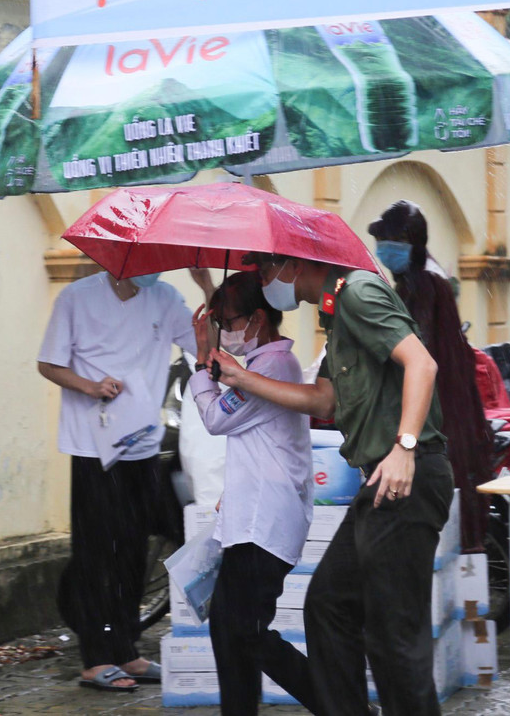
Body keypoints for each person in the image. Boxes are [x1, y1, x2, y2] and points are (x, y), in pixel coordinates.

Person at [210, 252, 451, 716]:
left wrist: (405, 447)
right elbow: (325, 398)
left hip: (406, 474)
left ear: (294, 263)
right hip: (378, 481)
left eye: (266, 268)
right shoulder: (334, 313)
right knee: (328, 607)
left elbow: (422, 365)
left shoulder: (357, 293)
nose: (263, 279)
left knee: (393, 639)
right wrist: (243, 377)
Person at [36, 266, 210, 692]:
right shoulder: (76, 298)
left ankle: (127, 650)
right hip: (92, 445)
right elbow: (49, 363)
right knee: (97, 551)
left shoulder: (165, 298)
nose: (154, 268)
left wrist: (207, 286)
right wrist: (90, 386)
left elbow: (206, 350)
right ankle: (95, 659)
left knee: (133, 548)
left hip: (143, 443)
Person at [187, 272, 319, 716]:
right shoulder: (256, 367)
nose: (224, 331)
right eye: (218, 322)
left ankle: (340, 703)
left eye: (229, 321)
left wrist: (205, 358)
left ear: (259, 319)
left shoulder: (273, 369)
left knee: (243, 630)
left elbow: (216, 419)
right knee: (230, 629)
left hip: (266, 523)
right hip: (249, 521)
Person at [368, 200, 493, 553]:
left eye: (388, 241)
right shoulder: (418, 281)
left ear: (410, 242)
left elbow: (415, 352)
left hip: (436, 411)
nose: (383, 250)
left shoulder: (423, 285)